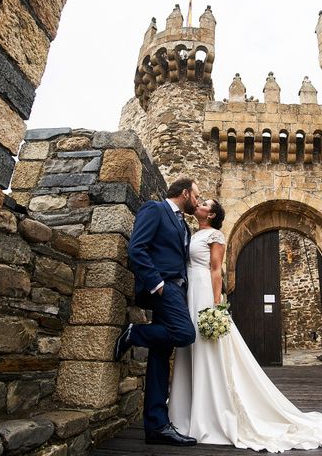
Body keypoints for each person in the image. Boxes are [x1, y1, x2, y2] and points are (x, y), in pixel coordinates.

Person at [168, 199, 322, 452]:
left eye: (205, 203)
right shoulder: (193, 232)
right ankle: (192, 408)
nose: (199, 203)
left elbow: (216, 270)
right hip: (191, 293)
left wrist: (216, 306)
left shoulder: (216, 234)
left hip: (205, 294)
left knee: (210, 350)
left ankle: (212, 411)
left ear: (213, 213)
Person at [114, 177, 201, 446]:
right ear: (185, 193)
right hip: (164, 287)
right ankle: (134, 333)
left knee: (160, 357)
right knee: (185, 334)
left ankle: (156, 426)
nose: (197, 202)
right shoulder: (155, 209)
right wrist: (157, 284)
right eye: (196, 196)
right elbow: (137, 247)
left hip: (178, 291)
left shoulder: (183, 225)